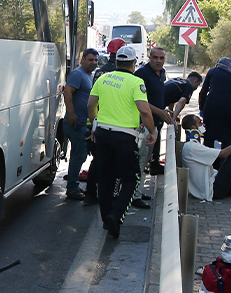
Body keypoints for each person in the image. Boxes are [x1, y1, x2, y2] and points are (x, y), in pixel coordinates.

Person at [87, 44, 156, 239]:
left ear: (116, 61)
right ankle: (116, 217)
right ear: (134, 64)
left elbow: (91, 105)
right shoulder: (136, 82)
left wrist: (94, 126)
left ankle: (106, 219)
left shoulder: (102, 78)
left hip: (102, 134)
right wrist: (152, 131)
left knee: (106, 178)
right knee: (131, 179)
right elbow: (144, 110)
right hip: (125, 137)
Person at [63, 48, 100, 200]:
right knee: (80, 154)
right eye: (91, 60)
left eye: (96, 60)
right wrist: (72, 114)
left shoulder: (89, 75)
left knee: (79, 154)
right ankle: (72, 188)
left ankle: (74, 185)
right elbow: (67, 92)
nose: (94, 63)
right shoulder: (77, 74)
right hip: (75, 122)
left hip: (83, 123)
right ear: (82, 59)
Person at [135, 46, 173, 175]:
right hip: (143, 123)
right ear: (149, 58)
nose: (158, 61)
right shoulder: (142, 73)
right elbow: (140, 101)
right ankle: (135, 192)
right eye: (155, 57)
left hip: (157, 121)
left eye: (161, 58)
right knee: (141, 159)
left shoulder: (162, 73)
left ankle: (154, 166)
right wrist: (159, 111)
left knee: (152, 153)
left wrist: (166, 110)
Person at [201, 57, 231, 149]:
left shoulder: (212, 71)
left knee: (209, 136)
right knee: (226, 138)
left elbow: (203, 92)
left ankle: (208, 160)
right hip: (228, 108)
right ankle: (225, 161)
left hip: (211, 106)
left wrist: (201, 108)